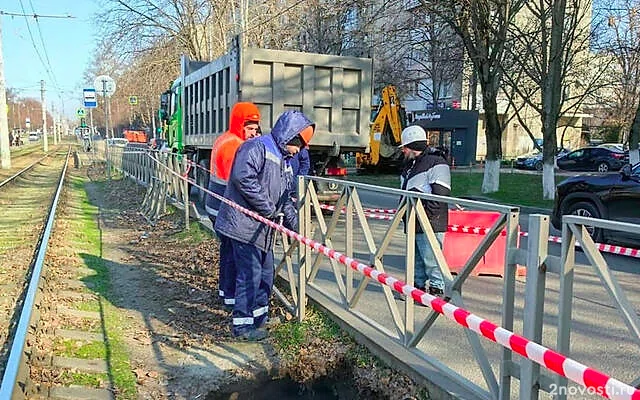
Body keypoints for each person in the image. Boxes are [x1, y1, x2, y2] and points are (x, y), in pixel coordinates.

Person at [214, 110, 314, 341]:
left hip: (262, 230)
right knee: (249, 275)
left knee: (266, 275)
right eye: (299, 145)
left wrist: (298, 228)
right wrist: (269, 209)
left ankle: (260, 318)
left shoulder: (285, 162)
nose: (300, 151)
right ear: (290, 137)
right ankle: (242, 326)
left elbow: (286, 198)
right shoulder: (256, 147)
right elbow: (242, 178)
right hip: (243, 226)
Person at [205, 102, 261, 310]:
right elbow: (240, 181)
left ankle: (225, 293)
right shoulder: (233, 146)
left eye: (256, 128)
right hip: (223, 208)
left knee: (228, 252)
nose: (253, 133)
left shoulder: (227, 138)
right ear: (240, 124)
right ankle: (231, 297)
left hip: (217, 205)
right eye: (250, 128)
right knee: (234, 255)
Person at [399, 125, 451, 298]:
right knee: (416, 262)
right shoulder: (409, 165)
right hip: (413, 221)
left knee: (432, 262)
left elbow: (441, 195)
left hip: (430, 223)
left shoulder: (437, 162)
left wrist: (426, 219)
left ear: (413, 146)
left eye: (405, 147)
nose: (403, 151)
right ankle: (417, 291)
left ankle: (437, 294)